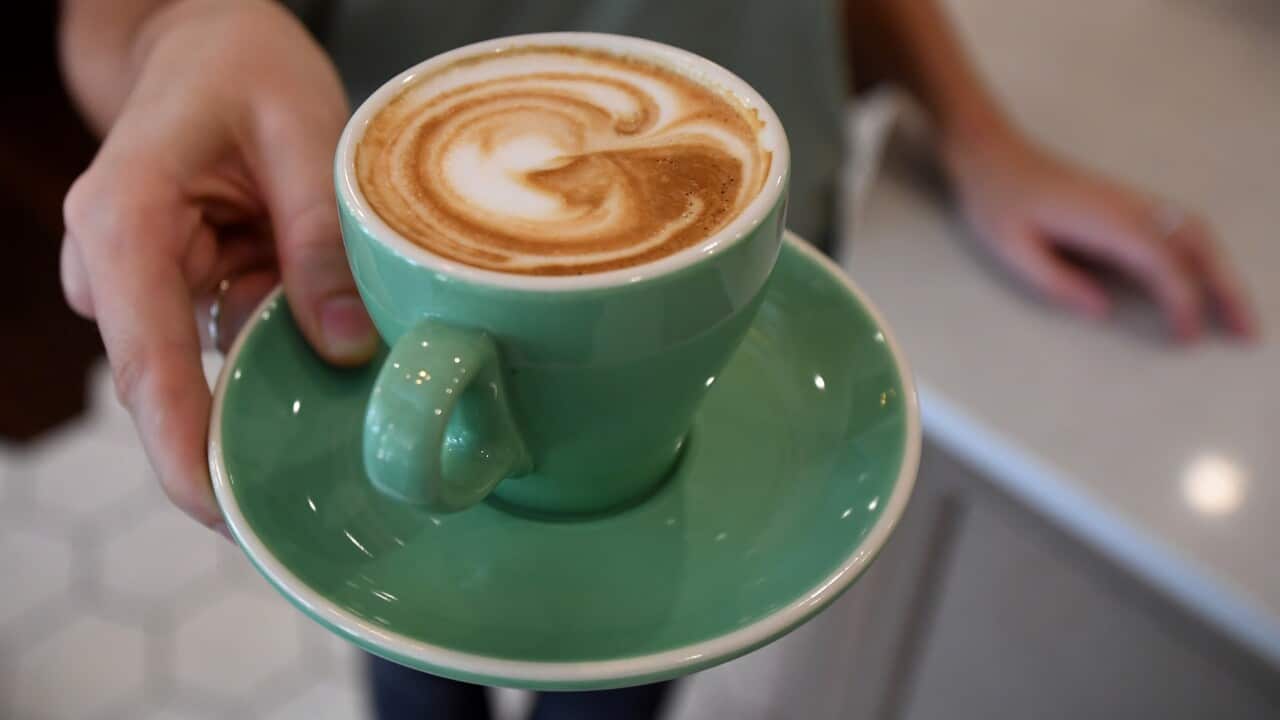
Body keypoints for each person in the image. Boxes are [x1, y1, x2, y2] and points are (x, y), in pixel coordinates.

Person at [57, 1, 1257, 718]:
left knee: (627, 678)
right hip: (383, 253)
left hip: (742, 250)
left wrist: (978, 136)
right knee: (418, 667)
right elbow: (103, 16)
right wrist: (182, 26)